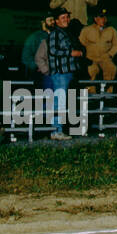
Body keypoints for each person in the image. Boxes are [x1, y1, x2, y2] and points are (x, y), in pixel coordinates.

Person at [44, 10, 84, 138]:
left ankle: (59, 129)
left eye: (67, 17)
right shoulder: (55, 34)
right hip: (60, 73)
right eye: (63, 17)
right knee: (59, 101)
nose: (66, 19)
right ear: (56, 20)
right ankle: (56, 130)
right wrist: (71, 53)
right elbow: (53, 50)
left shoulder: (66, 33)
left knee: (63, 101)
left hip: (67, 72)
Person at [80, 9, 117, 89]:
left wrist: (110, 54)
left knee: (111, 69)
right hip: (91, 57)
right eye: (101, 17)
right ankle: (91, 93)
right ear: (96, 19)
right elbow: (81, 43)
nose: (104, 20)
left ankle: (108, 93)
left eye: (105, 17)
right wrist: (85, 55)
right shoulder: (87, 30)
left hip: (105, 57)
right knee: (91, 70)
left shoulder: (111, 30)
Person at [22, 15, 55, 87]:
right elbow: (26, 56)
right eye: (50, 20)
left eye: (54, 20)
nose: (53, 22)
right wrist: (37, 66)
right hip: (41, 74)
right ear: (43, 22)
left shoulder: (57, 35)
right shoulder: (34, 37)